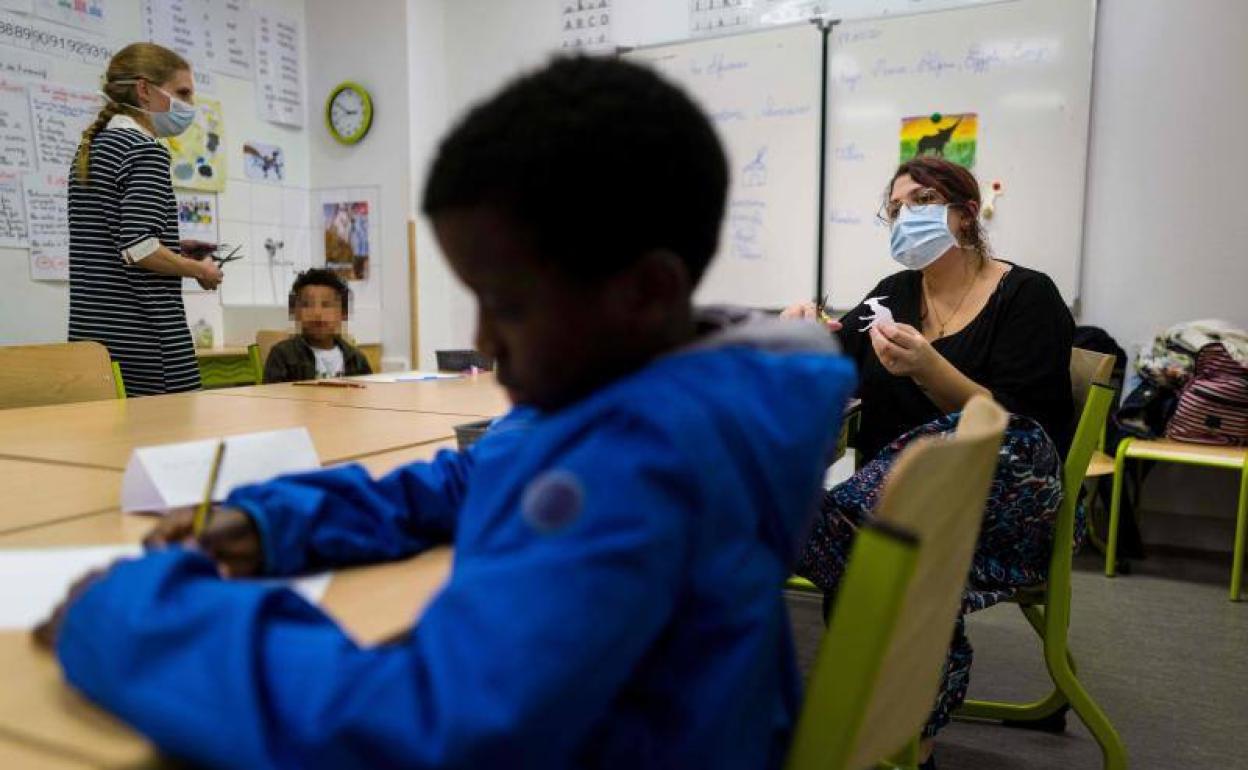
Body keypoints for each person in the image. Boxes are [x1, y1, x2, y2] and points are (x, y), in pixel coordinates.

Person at [34, 56, 857, 769]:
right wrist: (278, 521)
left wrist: (134, 619)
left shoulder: (641, 462)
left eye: (507, 304)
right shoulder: (650, 388)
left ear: (645, 291)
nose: (480, 338)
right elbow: (470, 479)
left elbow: (429, 729)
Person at [787, 156, 1074, 765]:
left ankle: (819, 529)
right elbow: (832, 357)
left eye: (920, 201)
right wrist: (801, 332)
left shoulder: (1028, 295)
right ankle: (913, 745)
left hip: (1003, 502)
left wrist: (929, 368)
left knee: (912, 498)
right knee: (896, 555)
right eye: (895, 208)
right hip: (907, 519)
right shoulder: (893, 294)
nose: (903, 217)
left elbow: (1020, 430)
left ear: (966, 214)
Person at [68, 43, 223, 396]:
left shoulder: (91, 150)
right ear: (144, 89)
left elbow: (111, 241)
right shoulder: (145, 150)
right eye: (182, 93)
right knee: (174, 445)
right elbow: (139, 248)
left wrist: (174, 250)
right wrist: (200, 270)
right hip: (148, 342)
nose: (189, 106)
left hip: (93, 345)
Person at [263, 268, 373, 383]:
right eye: (307, 305)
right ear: (295, 313)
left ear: (343, 313)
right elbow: (272, 397)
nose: (317, 313)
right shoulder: (282, 356)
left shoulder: (356, 359)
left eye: (326, 305)